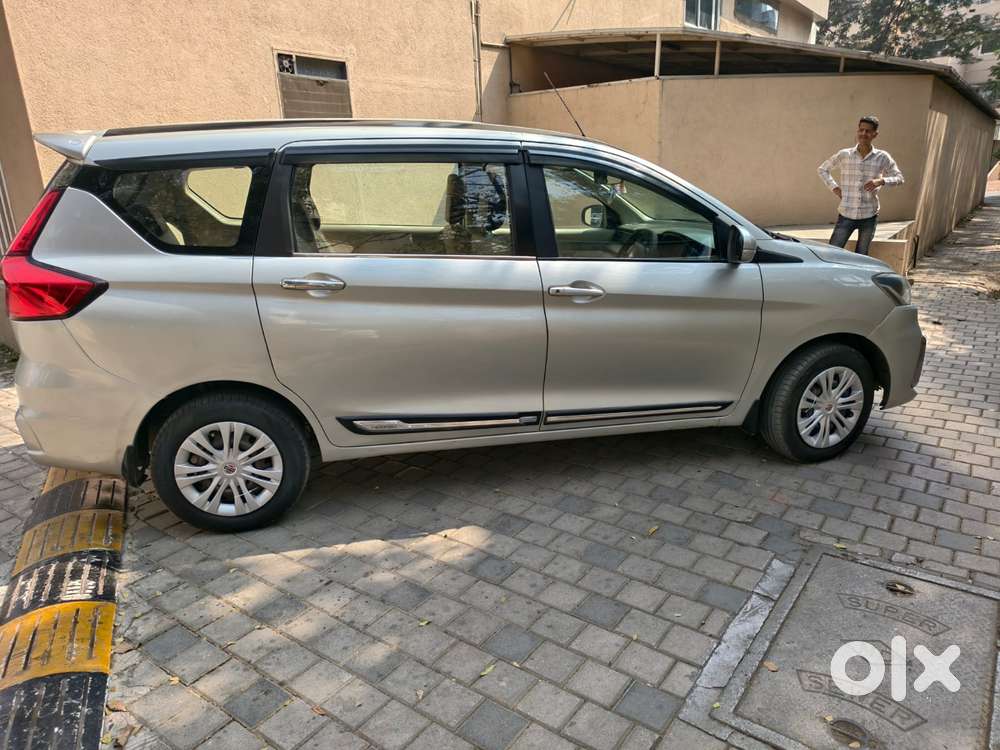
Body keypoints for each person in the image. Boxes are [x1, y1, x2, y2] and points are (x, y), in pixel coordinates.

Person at [817, 115, 904, 255]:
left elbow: (899, 178)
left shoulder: (882, 157)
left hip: (869, 215)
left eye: (868, 131)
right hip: (846, 213)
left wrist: (881, 181)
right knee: (832, 252)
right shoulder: (845, 154)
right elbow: (822, 169)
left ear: (875, 134)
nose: (863, 134)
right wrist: (835, 188)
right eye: (861, 130)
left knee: (862, 255)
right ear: (858, 131)